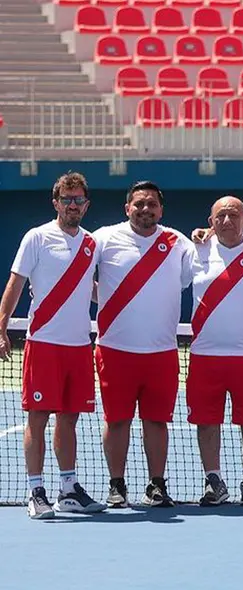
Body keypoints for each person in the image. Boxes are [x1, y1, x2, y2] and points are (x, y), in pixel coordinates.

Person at [0, 172, 106, 519]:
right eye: (67, 199)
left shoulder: (91, 244)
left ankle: (68, 489)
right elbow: (15, 285)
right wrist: (1, 329)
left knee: (70, 420)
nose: (73, 205)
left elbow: (92, 289)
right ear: (55, 202)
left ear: (86, 205)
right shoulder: (37, 238)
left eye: (78, 200)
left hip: (79, 347)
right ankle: (35, 491)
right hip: (43, 344)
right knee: (38, 418)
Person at [93, 180, 195, 508]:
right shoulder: (104, 238)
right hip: (114, 350)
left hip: (161, 352)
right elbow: (76, 273)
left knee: (157, 421)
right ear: (127, 208)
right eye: (139, 204)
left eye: (152, 204)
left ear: (161, 210)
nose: (145, 209)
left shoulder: (178, 243)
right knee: (117, 420)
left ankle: (156, 485)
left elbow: (210, 263)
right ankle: (116, 485)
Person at [187, 196, 243, 506]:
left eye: (233, 215)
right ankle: (214, 480)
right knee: (206, 422)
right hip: (204, 356)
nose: (227, 221)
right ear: (211, 222)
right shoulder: (194, 251)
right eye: (220, 216)